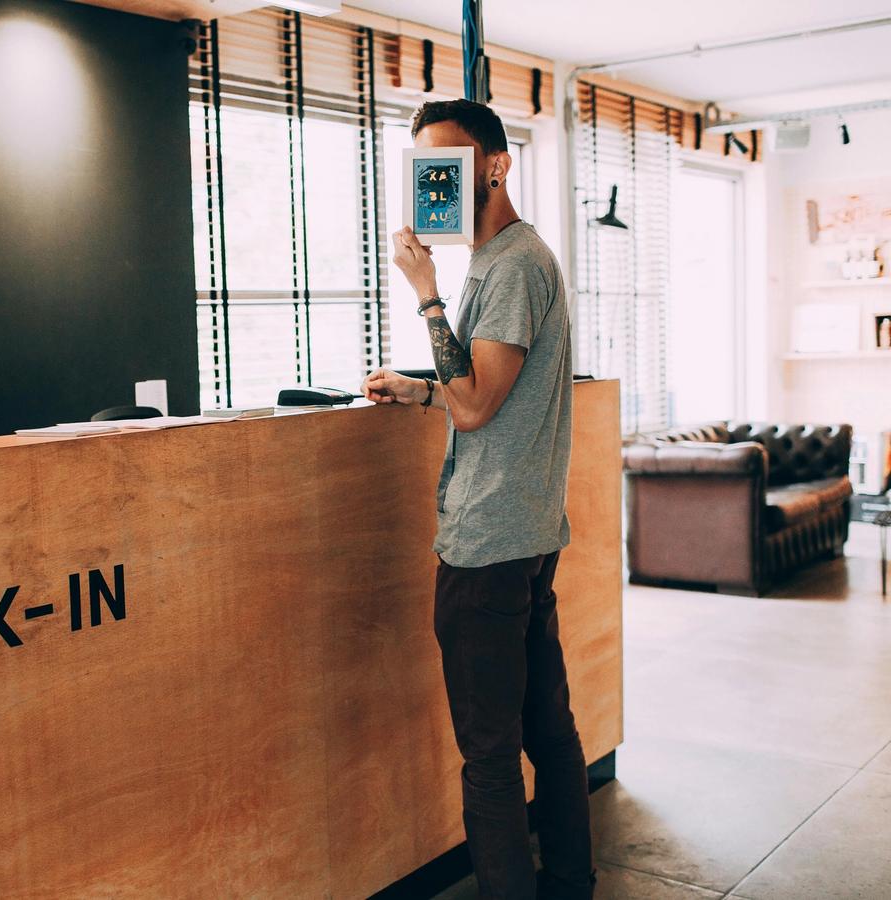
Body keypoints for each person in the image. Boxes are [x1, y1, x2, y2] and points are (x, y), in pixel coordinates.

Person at [361, 99, 595, 900]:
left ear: (494, 166)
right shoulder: (506, 262)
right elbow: (481, 393)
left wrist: (425, 293)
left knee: (491, 758)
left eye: (449, 167)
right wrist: (419, 389)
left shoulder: (512, 264)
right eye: (426, 170)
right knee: (547, 732)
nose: (436, 186)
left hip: (488, 545)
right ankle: (571, 882)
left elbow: (477, 408)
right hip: (521, 534)